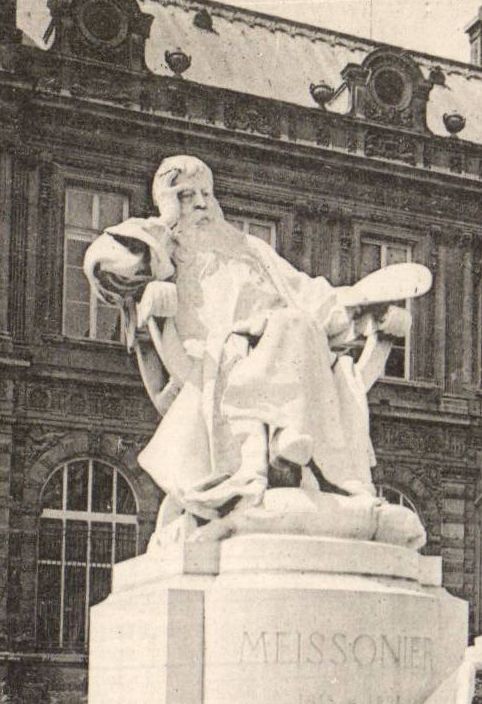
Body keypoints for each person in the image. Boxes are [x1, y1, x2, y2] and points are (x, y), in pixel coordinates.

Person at [84, 155, 412, 528]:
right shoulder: (160, 248)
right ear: (166, 201)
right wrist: (159, 251)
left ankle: (288, 442)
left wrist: (368, 315)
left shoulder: (250, 249)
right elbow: (103, 263)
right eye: (187, 195)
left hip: (286, 342)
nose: (202, 204)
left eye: (207, 193)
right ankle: (288, 442)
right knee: (290, 325)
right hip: (218, 352)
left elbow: (311, 296)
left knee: (296, 322)